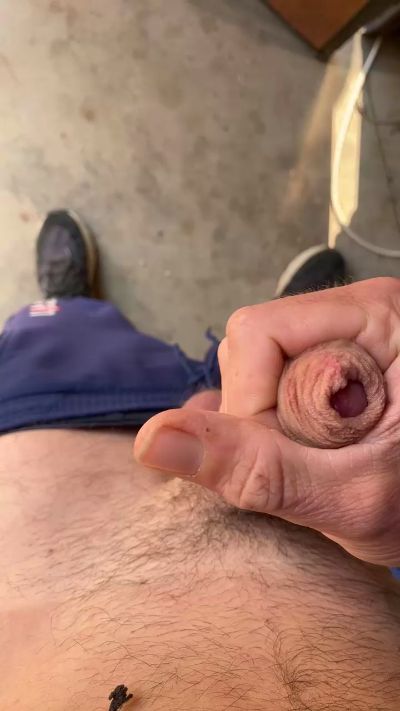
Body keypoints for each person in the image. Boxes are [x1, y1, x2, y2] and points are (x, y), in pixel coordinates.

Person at [2, 210, 400, 710]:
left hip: (53, 418)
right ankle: (283, 358)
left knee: (57, 338)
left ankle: (68, 309)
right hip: (345, 517)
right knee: (289, 377)